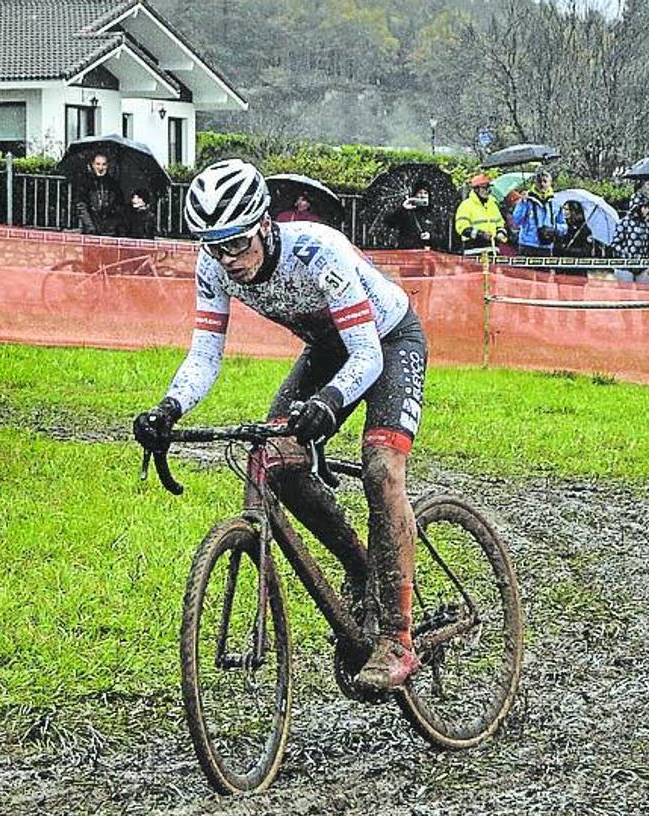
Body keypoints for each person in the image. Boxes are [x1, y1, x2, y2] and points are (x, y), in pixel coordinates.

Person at [133, 159, 428, 690]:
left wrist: (330, 403)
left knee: (382, 470)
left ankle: (398, 640)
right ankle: (360, 569)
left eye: (237, 243)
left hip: (386, 342)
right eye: (213, 246)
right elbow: (205, 354)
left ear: (265, 225)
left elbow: (366, 354)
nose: (228, 260)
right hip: (326, 346)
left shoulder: (319, 251)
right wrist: (168, 408)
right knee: (278, 459)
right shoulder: (214, 266)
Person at [511, 170, 565, 257]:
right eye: (539, 181)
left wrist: (554, 229)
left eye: (545, 181)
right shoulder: (527, 199)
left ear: (550, 183)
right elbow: (515, 221)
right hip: (528, 245)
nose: (542, 184)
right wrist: (523, 202)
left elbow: (563, 226)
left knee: (543, 271)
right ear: (535, 182)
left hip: (547, 246)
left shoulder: (556, 202)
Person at [72, 153, 123, 236]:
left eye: (104, 164)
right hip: (91, 230)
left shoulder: (113, 185)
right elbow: (81, 206)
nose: (100, 168)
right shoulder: (86, 183)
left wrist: (113, 226)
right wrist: (89, 227)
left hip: (109, 231)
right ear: (93, 165)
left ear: (107, 166)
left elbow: (119, 207)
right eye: (98, 164)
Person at [454, 174, 507, 252]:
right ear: (476, 189)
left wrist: (500, 233)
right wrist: (481, 234)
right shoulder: (466, 205)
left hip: (493, 249)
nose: (488, 191)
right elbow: (462, 228)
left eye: (489, 187)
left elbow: (500, 223)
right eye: (484, 188)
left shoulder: (492, 205)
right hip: (474, 251)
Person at [609, 192, 649, 283]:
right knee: (626, 294)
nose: (647, 210)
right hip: (624, 267)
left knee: (644, 293)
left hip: (641, 267)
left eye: (648, 207)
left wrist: (648, 260)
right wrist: (626, 255)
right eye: (644, 207)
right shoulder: (624, 222)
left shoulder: (647, 225)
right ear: (636, 207)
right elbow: (614, 243)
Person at [383, 181, 439, 249]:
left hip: (427, 254)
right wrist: (403, 208)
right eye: (420, 193)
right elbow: (389, 222)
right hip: (407, 251)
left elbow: (442, 237)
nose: (422, 195)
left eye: (425, 193)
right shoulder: (406, 210)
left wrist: (430, 236)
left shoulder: (434, 213)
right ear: (414, 195)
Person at [554, 199, 595, 275]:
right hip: (561, 270)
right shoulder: (562, 227)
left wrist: (570, 250)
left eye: (567, 209)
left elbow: (586, 251)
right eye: (563, 209)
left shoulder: (584, 229)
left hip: (577, 270)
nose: (564, 212)